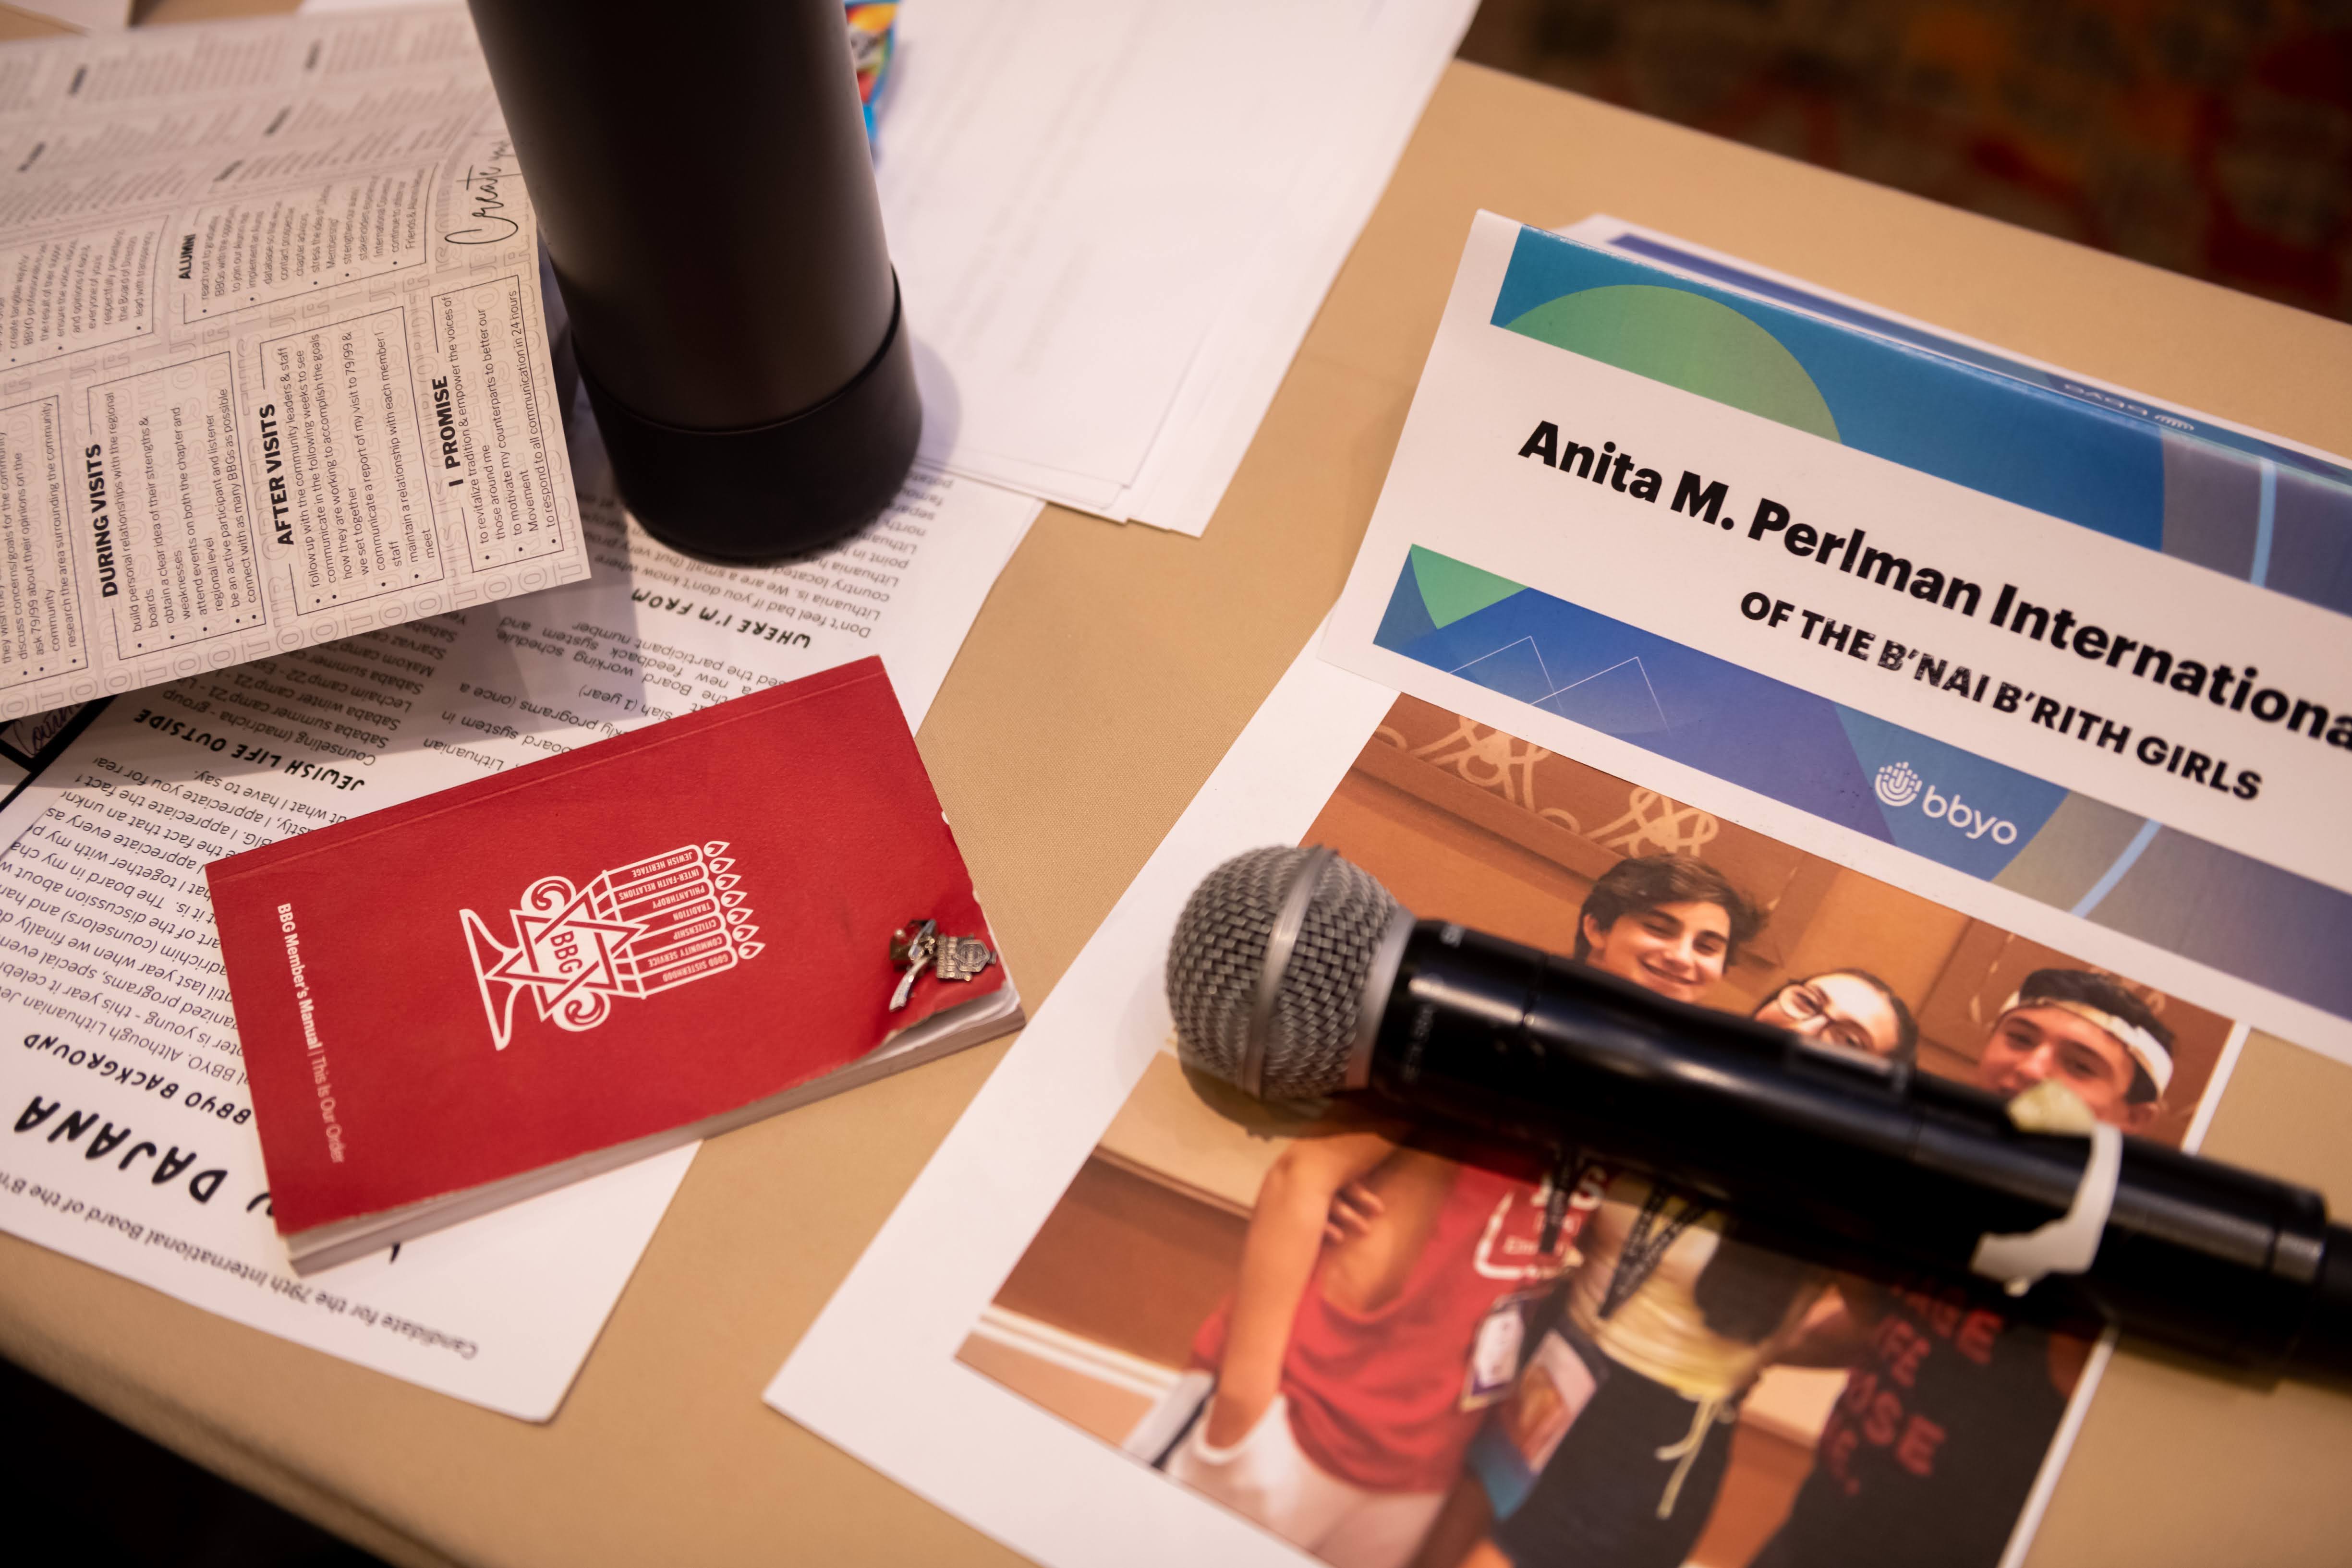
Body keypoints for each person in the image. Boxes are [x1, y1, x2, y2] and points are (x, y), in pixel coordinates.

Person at [1137, 855, 1761, 1568]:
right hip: (1295, 1411)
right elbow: (1300, 1180)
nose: (1682, 956)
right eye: (1660, 927)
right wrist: (1242, 1413)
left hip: (1420, 1464)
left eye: (1705, 945)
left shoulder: (1641, 1095)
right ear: (1596, 925)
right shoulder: (1494, 1022)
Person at [1409, 971, 1918, 1568]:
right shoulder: (1665, 1096)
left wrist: (1761, 1348)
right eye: (1806, 1001)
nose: (1810, 1029)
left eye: (1849, 1039)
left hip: (1653, 1432)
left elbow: (1875, 1325)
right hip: (1547, 1361)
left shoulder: (1841, 1195)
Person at [1743, 968, 2176, 1568]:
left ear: (2132, 1118)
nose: (2029, 1068)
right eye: (2019, 1038)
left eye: (2079, 1065)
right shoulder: (1947, 1186)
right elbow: (1888, 1327)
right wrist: (1745, 1352)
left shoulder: (2102, 1256)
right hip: (1807, 1534)